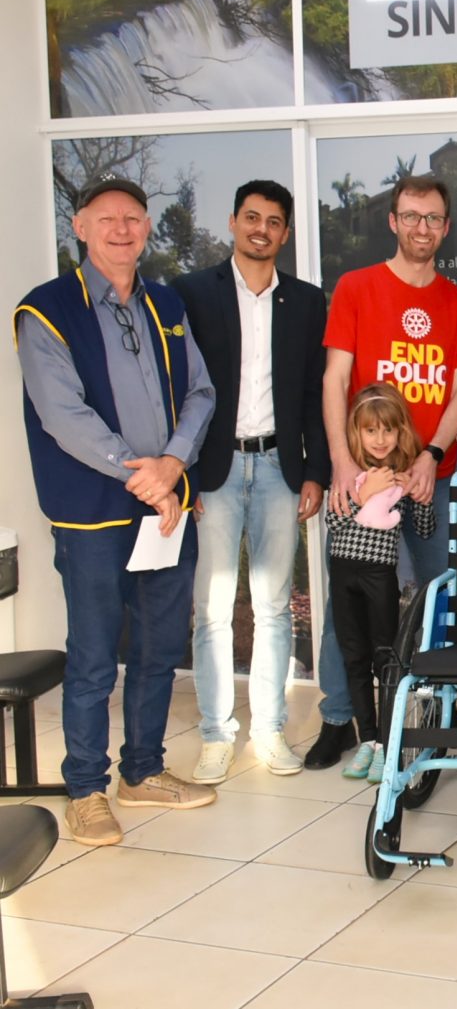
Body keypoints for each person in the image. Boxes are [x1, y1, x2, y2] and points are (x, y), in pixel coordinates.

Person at [14, 176, 218, 846]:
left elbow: (201, 392)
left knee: (159, 647)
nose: (123, 230)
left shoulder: (166, 302)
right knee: (95, 655)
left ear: (147, 227)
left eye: (134, 218)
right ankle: (85, 790)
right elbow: (61, 414)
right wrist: (144, 475)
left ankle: (143, 770)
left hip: (164, 505)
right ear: (80, 228)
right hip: (94, 514)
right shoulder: (45, 310)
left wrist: (173, 463)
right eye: (108, 219)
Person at [308, 175, 457, 770]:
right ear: (393, 221)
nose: (421, 228)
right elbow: (335, 379)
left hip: (428, 479)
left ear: (445, 227)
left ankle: (438, 709)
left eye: (432, 218)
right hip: (364, 482)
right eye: (411, 216)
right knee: (348, 607)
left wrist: (430, 454)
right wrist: (343, 462)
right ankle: (339, 718)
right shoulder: (357, 288)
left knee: (434, 598)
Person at [173, 180, 328, 784]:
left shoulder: (306, 302)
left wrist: (315, 470)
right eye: (252, 217)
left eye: (273, 222)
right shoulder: (192, 293)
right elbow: (176, 389)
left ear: (285, 233)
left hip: (278, 468)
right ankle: (216, 734)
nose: (262, 229)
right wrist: (182, 471)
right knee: (212, 610)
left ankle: (268, 730)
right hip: (213, 468)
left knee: (274, 606)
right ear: (233, 222)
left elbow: (313, 393)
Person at [324, 385, 435, 782]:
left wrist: (421, 499)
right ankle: (367, 740)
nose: (380, 439)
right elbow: (334, 522)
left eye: (388, 430)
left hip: (379, 577)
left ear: (400, 431)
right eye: (371, 430)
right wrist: (362, 494)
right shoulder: (349, 473)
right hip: (344, 574)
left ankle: (388, 743)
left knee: (384, 656)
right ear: (357, 432)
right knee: (353, 656)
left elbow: (424, 530)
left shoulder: (399, 476)